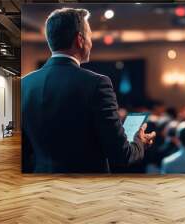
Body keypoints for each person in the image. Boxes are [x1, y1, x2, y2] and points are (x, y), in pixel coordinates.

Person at [21, 8, 156, 173]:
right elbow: (121, 155)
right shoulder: (98, 83)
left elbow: (23, 153)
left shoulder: (24, 84)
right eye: (90, 36)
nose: (91, 42)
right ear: (79, 40)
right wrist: (139, 142)